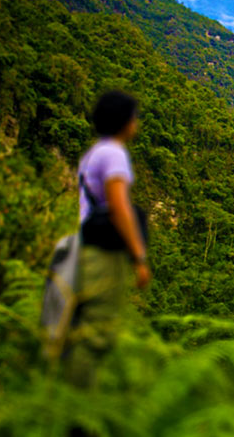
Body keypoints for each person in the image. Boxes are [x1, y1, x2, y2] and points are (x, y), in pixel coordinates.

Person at [64, 90, 151, 388]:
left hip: (87, 244)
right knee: (99, 327)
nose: (136, 123)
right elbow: (118, 206)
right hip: (104, 251)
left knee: (87, 321)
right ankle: (82, 406)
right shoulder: (114, 154)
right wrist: (138, 255)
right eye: (134, 116)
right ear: (124, 120)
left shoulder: (92, 153)